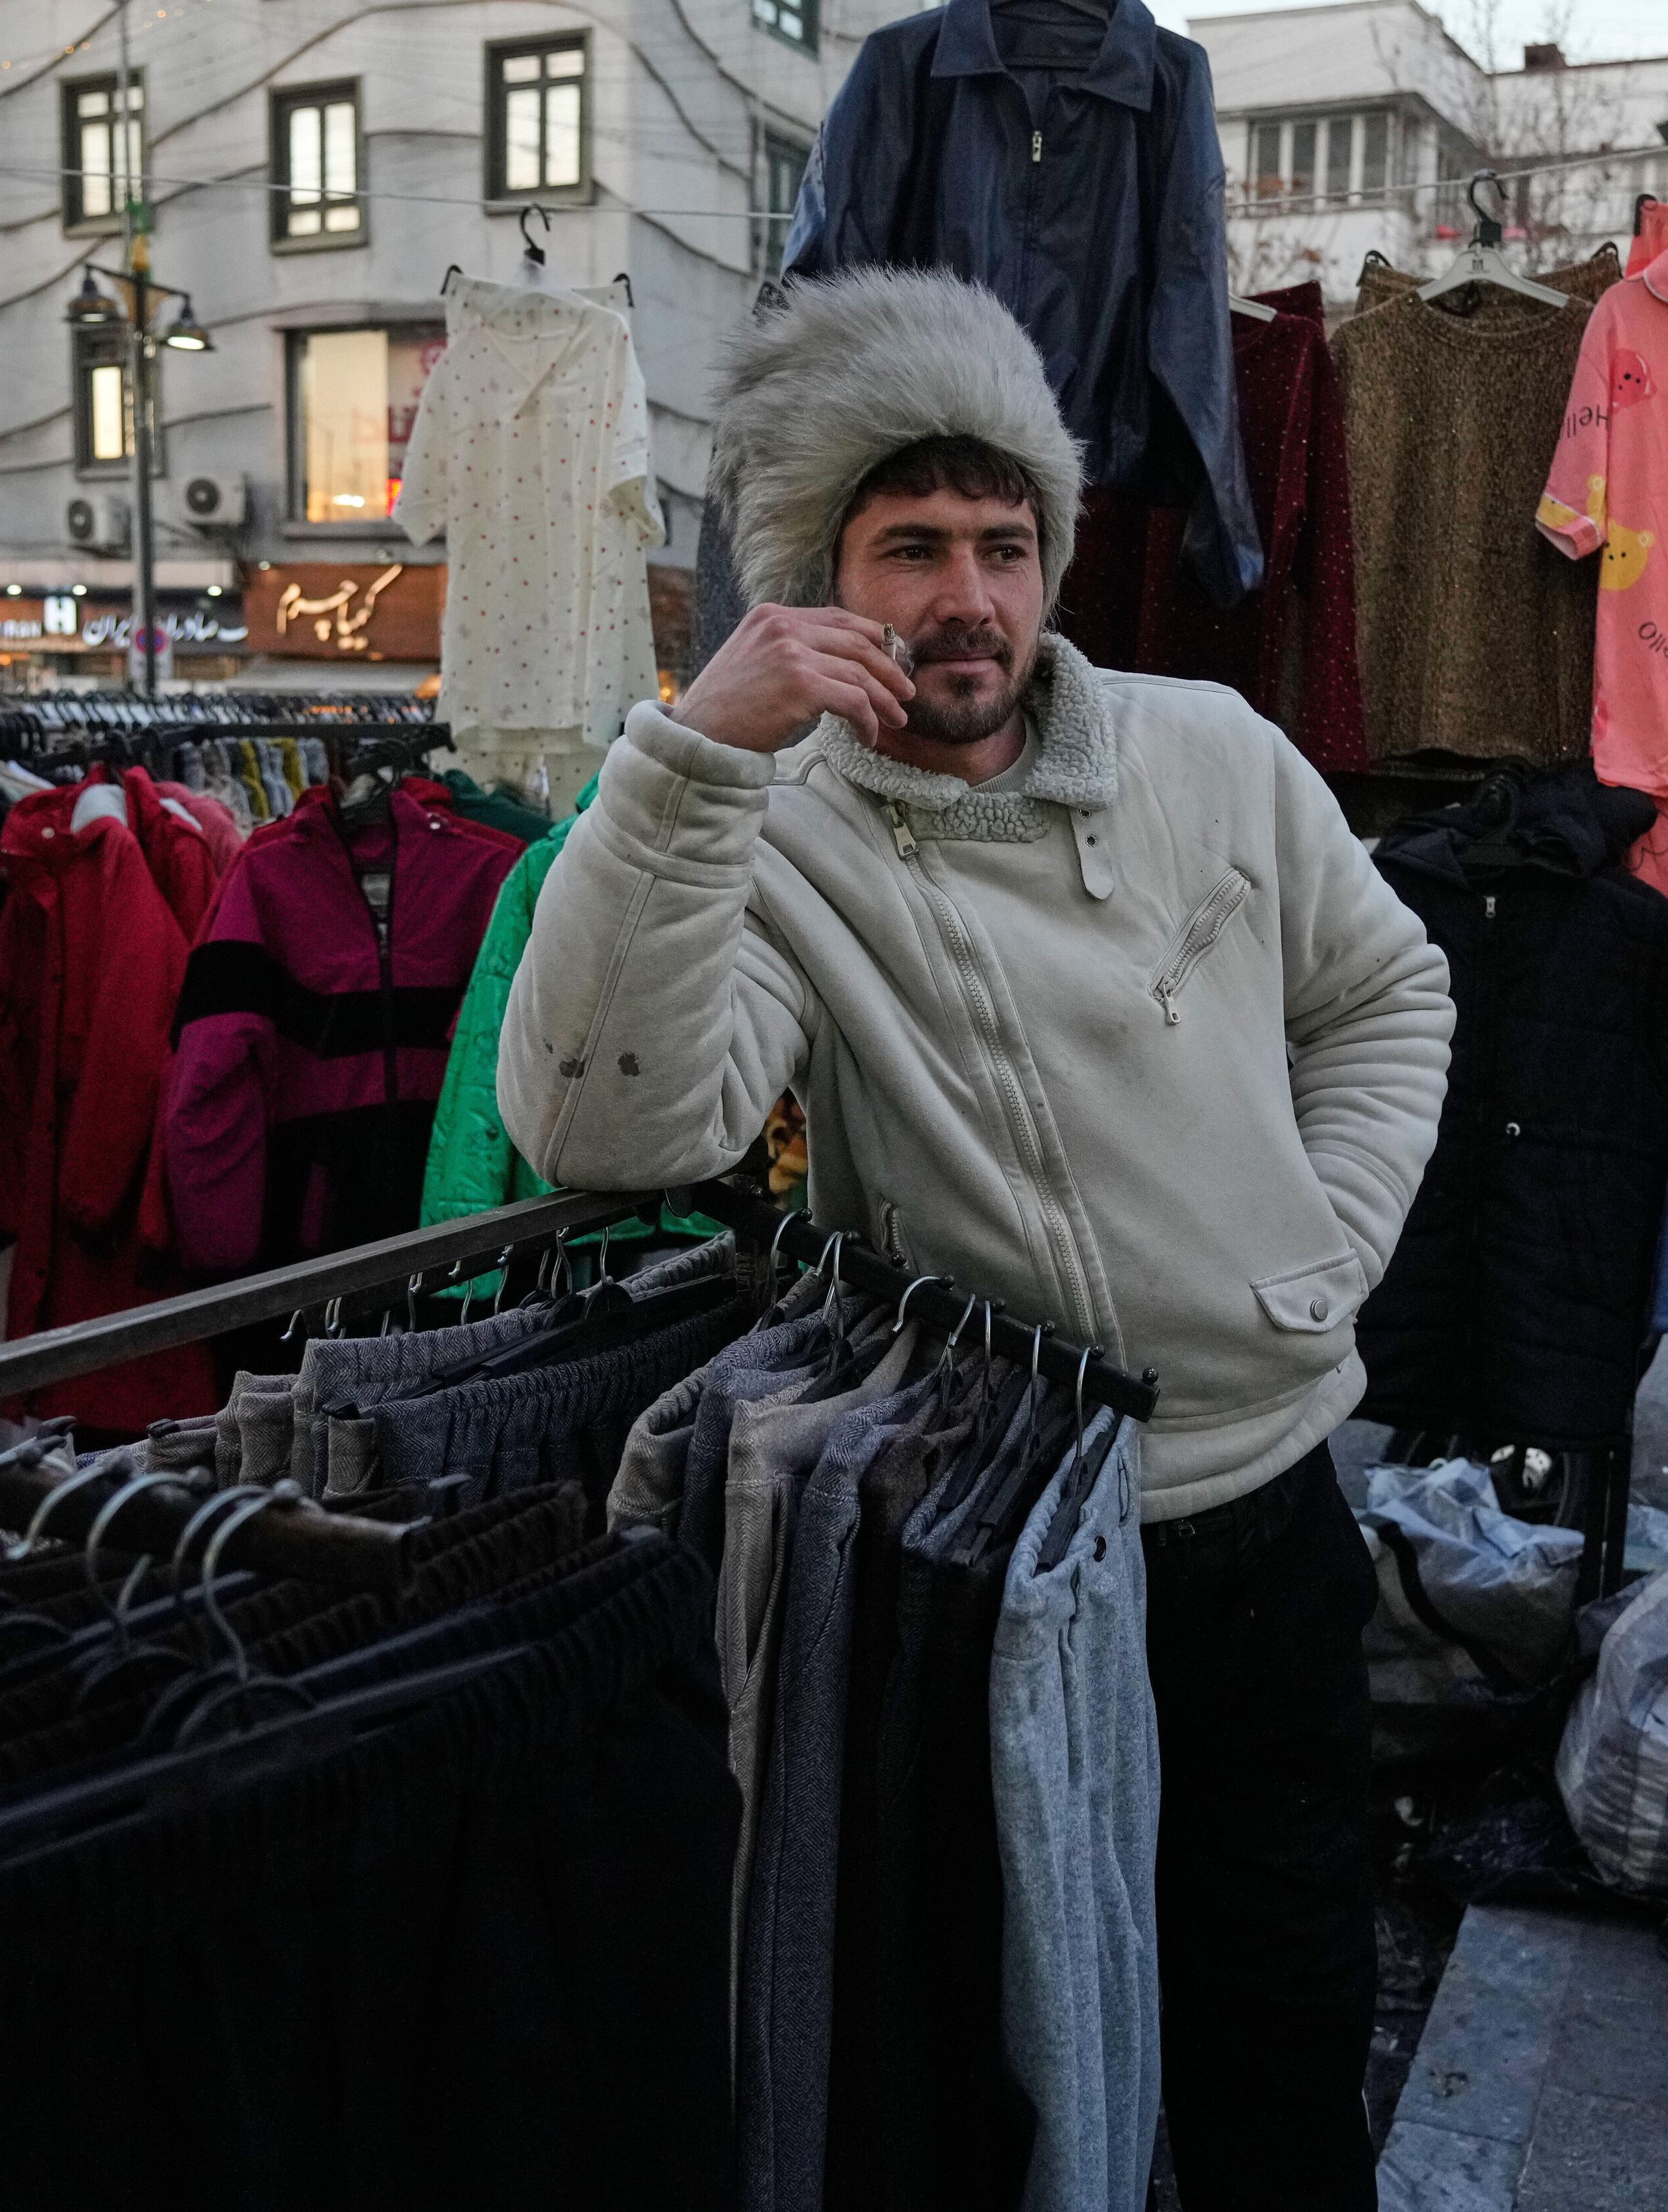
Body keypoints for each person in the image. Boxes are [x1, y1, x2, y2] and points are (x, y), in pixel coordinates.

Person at [498, 267, 1452, 2209]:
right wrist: (692, 758)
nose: (970, 596)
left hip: (1265, 1512)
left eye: (1006, 543)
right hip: (990, 1547)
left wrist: (1323, 1248)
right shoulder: (764, 827)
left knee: (1281, 2021)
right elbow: (605, 1119)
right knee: (1008, 2061)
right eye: (912, 545)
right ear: (818, 578)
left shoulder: (1214, 754)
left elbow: (1388, 992)